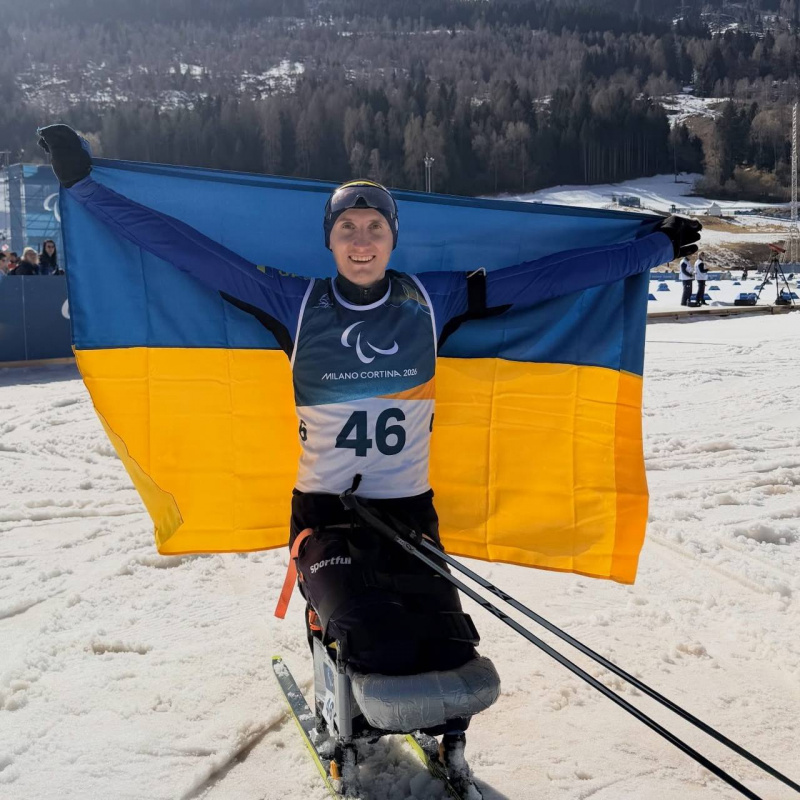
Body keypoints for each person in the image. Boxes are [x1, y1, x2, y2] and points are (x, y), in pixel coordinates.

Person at [37, 120, 700, 702]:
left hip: (410, 513)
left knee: (450, 651)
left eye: (374, 228)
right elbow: (186, 250)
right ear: (330, 242)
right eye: (348, 229)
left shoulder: (432, 299)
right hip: (326, 515)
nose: (361, 241)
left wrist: (654, 249)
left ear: (391, 238)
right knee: (376, 646)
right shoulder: (294, 302)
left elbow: (550, 277)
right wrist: (88, 189)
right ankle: (329, 630)